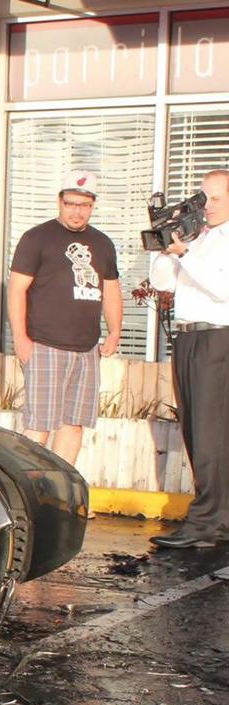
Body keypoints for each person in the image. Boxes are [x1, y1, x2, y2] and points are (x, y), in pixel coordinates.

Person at [7, 170, 121, 467]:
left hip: (86, 349)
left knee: (74, 424)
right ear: (60, 201)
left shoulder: (103, 243)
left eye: (84, 205)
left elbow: (110, 290)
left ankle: (61, 494)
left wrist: (114, 332)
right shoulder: (37, 238)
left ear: (92, 205)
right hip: (45, 346)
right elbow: (17, 289)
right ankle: (29, 493)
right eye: (71, 203)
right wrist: (20, 339)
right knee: (39, 426)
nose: (77, 211)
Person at [149, 169, 229, 548]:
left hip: (218, 338)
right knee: (196, 430)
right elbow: (165, 284)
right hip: (188, 338)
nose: (206, 206)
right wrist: (166, 248)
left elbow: (222, 288)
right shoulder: (199, 237)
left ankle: (204, 524)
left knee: (212, 433)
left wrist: (186, 255)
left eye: (215, 198)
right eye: (203, 197)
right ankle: (219, 519)